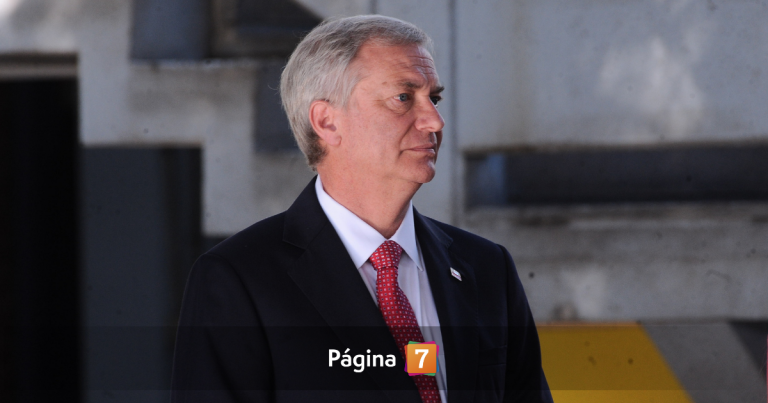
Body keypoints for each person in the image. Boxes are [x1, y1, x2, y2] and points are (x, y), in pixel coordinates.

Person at [171, 15, 553, 403]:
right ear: (327, 122)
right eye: (403, 98)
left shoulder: (487, 268)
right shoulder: (238, 280)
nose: (435, 121)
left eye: (434, 99)